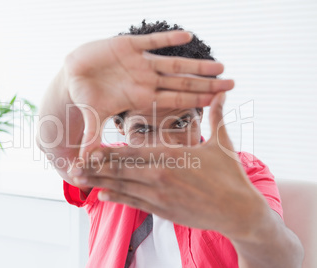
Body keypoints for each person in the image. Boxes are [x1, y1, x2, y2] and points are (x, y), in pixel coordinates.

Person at [37, 20, 304, 267]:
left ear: (200, 113)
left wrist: (245, 217)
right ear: (119, 126)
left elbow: (286, 260)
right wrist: (66, 81)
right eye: (143, 129)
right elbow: (56, 147)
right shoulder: (112, 169)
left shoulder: (244, 173)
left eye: (180, 123)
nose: (164, 148)